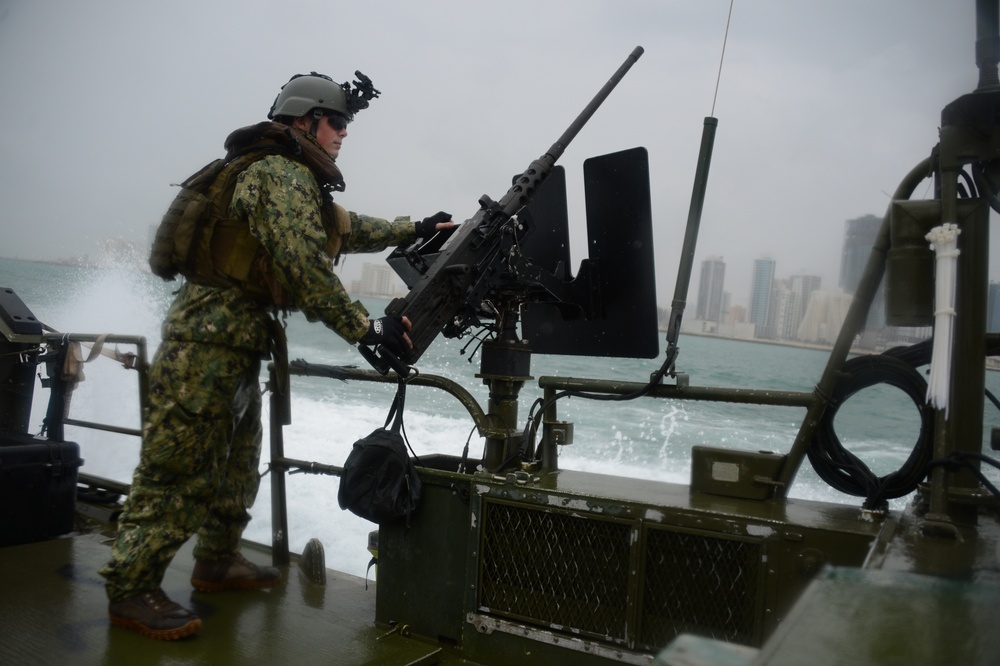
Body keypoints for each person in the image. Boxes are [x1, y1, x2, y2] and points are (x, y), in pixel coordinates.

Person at [100, 71, 453, 640]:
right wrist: (364, 331)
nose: (343, 133)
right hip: (205, 345)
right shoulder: (277, 173)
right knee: (178, 470)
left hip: (236, 342)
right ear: (303, 119)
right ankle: (131, 587)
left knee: (240, 462)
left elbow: (346, 227)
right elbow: (302, 263)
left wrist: (417, 227)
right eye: (336, 121)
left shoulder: (291, 180)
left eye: (346, 124)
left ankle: (216, 560)